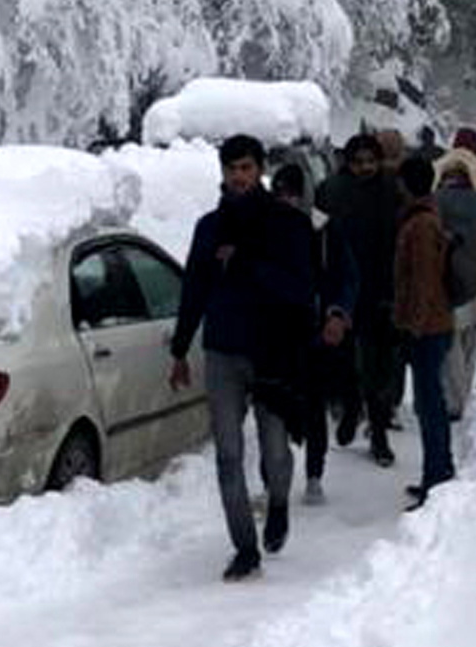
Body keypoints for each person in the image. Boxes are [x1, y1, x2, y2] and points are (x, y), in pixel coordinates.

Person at [170, 134, 321, 579]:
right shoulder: (208, 228)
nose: (238, 177)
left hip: (272, 351)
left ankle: (278, 503)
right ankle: (245, 548)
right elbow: (194, 289)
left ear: (260, 171)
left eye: (246, 168)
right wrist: (180, 349)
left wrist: (247, 264)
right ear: (222, 173)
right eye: (231, 169)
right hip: (221, 351)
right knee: (228, 454)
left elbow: (302, 289)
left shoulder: (287, 224)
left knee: (275, 449)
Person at [271, 162, 356, 504]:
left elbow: (348, 276)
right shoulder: (266, 229)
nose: (286, 201)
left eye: (292, 194)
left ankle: (314, 473)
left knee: (314, 403)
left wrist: (338, 312)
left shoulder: (324, 230)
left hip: (317, 330)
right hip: (277, 331)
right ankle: (273, 474)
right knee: (276, 403)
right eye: (280, 194)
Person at [323, 131, 405, 465]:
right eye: (358, 162)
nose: (365, 167)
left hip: (381, 290)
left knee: (380, 365)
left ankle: (379, 431)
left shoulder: (391, 192)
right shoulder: (332, 191)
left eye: (371, 161)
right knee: (343, 358)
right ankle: (350, 405)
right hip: (342, 288)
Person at [392, 153, 455, 505]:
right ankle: (437, 471)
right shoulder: (426, 217)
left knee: (429, 404)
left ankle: (437, 476)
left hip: (428, 327)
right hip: (431, 324)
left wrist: (413, 324)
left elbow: (424, 279)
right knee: (429, 402)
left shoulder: (420, 224)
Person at [435, 152, 476, 416]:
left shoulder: (435, 202)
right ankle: (464, 393)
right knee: (472, 343)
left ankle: (455, 400)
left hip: (448, 281)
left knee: (450, 344)